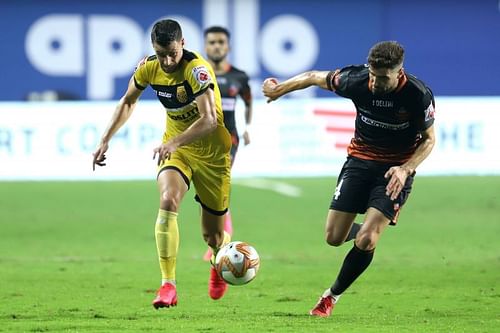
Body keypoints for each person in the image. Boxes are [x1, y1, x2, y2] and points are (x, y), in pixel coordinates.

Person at [262, 41, 436, 317]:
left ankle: (330, 297)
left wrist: (406, 169)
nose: (376, 82)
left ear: (399, 71)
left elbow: (429, 140)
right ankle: (369, 231)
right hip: (359, 162)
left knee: (367, 239)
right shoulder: (356, 80)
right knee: (333, 237)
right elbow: (312, 77)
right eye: (373, 74)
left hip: (394, 171)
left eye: (383, 77)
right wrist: (278, 89)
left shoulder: (417, 94)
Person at [92, 19, 233, 309]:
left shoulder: (197, 70)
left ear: (182, 43)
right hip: (177, 149)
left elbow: (209, 120)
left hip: (212, 155)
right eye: (161, 53)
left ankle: (219, 257)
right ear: (153, 48)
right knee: (168, 200)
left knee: (213, 235)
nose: (168, 60)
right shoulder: (149, 67)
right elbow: (128, 101)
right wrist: (105, 138)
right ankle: (168, 285)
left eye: (172, 52)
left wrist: (174, 142)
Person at [201, 26, 253, 260]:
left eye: (221, 42)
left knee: (219, 186)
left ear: (228, 47)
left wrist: (247, 128)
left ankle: (222, 238)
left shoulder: (239, 77)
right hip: (200, 140)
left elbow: (249, 102)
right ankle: (217, 237)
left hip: (228, 138)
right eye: (212, 42)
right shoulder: (197, 73)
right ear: (206, 46)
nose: (216, 46)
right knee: (205, 193)